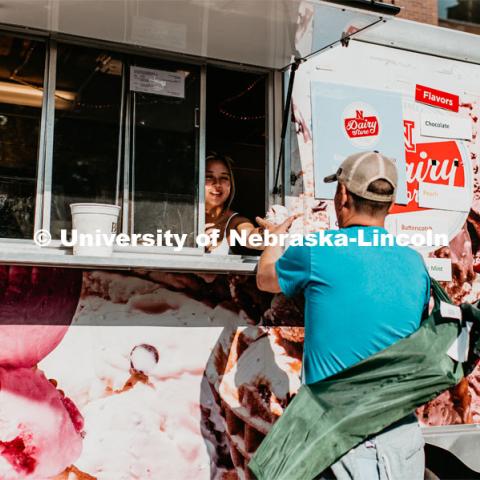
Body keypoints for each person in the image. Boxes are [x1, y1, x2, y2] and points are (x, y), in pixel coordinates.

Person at [255, 151, 430, 480]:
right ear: (389, 205)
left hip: (341, 440)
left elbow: (265, 278)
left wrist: (274, 241)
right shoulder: (415, 264)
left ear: (343, 194)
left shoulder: (316, 250)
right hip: (403, 438)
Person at [205, 153, 263, 254]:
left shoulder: (235, 221)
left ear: (230, 184)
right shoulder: (185, 219)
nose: (217, 184)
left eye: (224, 178)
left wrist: (267, 234)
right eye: (209, 177)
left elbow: (251, 237)